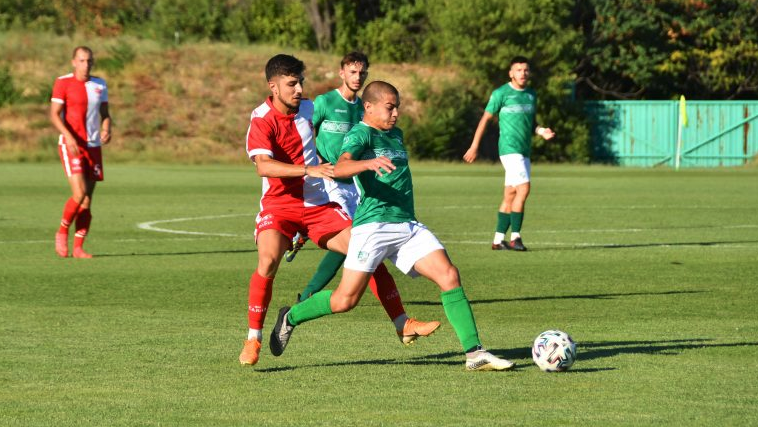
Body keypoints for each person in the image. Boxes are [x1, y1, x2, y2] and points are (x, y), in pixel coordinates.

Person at [269, 81, 515, 371]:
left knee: (449, 275)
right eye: (390, 107)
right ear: (369, 107)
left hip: (407, 225)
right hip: (373, 227)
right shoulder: (360, 134)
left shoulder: (395, 134)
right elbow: (341, 167)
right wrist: (367, 164)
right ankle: (291, 317)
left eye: (397, 106)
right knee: (345, 300)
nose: (396, 112)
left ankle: (475, 354)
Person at [239, 55, 439, 367]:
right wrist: (309, 168)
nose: (299, 89)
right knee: (267, 261)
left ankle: (402, 323)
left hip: (318, 202)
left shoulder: (309, 107)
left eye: (301, 82)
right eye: (292, 84)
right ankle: (253, 338)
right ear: (273, 86)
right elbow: (263, 166)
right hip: (280, 204)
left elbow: (348, 124)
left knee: (366, 251)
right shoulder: (261, 117)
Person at [290, 52, 396, 305]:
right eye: (352, 72)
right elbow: (303, 135)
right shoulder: (325, 102)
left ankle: (304, 237)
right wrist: (311, 164)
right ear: (342, 73)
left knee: (356, 240)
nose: (357, 77)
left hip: (355, 182)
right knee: (354, 239)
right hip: (329, 181)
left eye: (362, 73)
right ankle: (308, 295)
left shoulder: (364, 108)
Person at [463, 56, 555, 251]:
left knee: (511, 194)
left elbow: (531, 124)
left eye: (526, 70)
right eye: (518, 70)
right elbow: (485, 120)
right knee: (524, 189)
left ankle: (497, 240)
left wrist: (541, 131)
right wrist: (474, 146)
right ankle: (515, 237)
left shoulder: (531, 94)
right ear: (511, 73)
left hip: (524, 150)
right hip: (509, 149)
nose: (523, 73)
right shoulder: (501, 94)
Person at [51, 46, 112, 259]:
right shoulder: (63, 82)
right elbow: (54, 115)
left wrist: (106, 128)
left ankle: (78, 248)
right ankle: (62, 231)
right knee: (79, 194)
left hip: (93, 146)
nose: (86, 65)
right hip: (72, 145)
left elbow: (105, 114)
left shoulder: (100, 84)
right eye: (82, 61)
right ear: (73, 62)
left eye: (89, 61)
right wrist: (68, 136)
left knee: (87, 200)